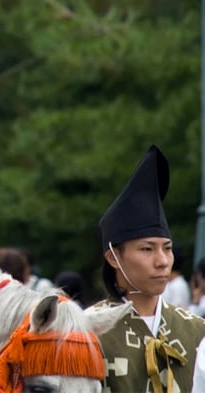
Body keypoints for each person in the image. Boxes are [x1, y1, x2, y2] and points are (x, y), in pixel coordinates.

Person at [87, 145, 205, 392]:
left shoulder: (196, 330)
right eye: (147, 249)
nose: (162, 261)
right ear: (113, 257)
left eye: (167, 248)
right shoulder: (88, 329)